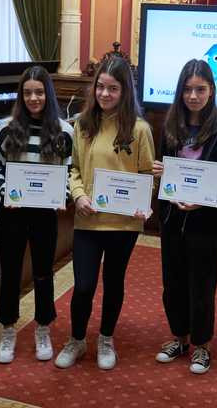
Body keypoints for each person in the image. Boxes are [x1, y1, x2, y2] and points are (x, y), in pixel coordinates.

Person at [54, 57, 155, 370]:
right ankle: (77, 339)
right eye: (100, 87)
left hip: (123, 224)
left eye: (113, 88)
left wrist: (144, 201)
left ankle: (106, 338)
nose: (105, 94)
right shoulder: (83, 125)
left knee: (113, 283)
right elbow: (72, 170)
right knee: (83, 285)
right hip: (88, 220)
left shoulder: (139, 129)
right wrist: (80, 196)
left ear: (125, 91)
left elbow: (147, 174)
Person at [151, 59, 217, 374]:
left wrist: (205, 201)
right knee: (172, 282)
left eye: (200, 89)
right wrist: (159, 171)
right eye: (187, 89)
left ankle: (202, 345)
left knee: (201, 284)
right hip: (173, 219)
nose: (193, 95)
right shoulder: (171, 124)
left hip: (205, 223)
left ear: (212, 90)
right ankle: (179, 337)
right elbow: (162, 166)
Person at [0, 66, 74, 364]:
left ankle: (42, 327)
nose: (33, 98)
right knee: (10, 271)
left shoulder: (64, 130)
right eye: (27, 93)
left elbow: (70, 170)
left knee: (42, 272)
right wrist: (2, 194)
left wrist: (61, 195)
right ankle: (8, 328)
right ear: (20, 95)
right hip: (12, 211)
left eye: (39, 92)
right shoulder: (5, 127)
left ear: (47, 94)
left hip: (45, 214)